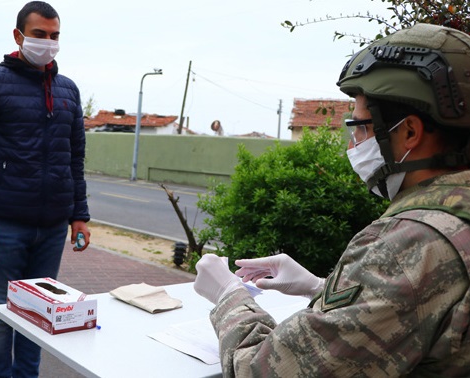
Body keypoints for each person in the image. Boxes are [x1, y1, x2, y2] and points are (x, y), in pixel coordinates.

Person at [194, 23, 470, 376]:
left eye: (361, 127)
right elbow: (421, 308)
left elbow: (262, 371)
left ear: (409, 132)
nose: (355, 143)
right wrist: (319, 287)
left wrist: (228, 295)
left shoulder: (411, 244)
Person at [0, 2, 90, 377]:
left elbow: (73, 158)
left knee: (39, 314)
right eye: (39, 35)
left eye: (54, 36)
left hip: (51, 228)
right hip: (3, 226)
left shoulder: (68, 90)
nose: (48, 43)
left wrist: (79, 215)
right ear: (18, 36)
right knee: (0, 315)